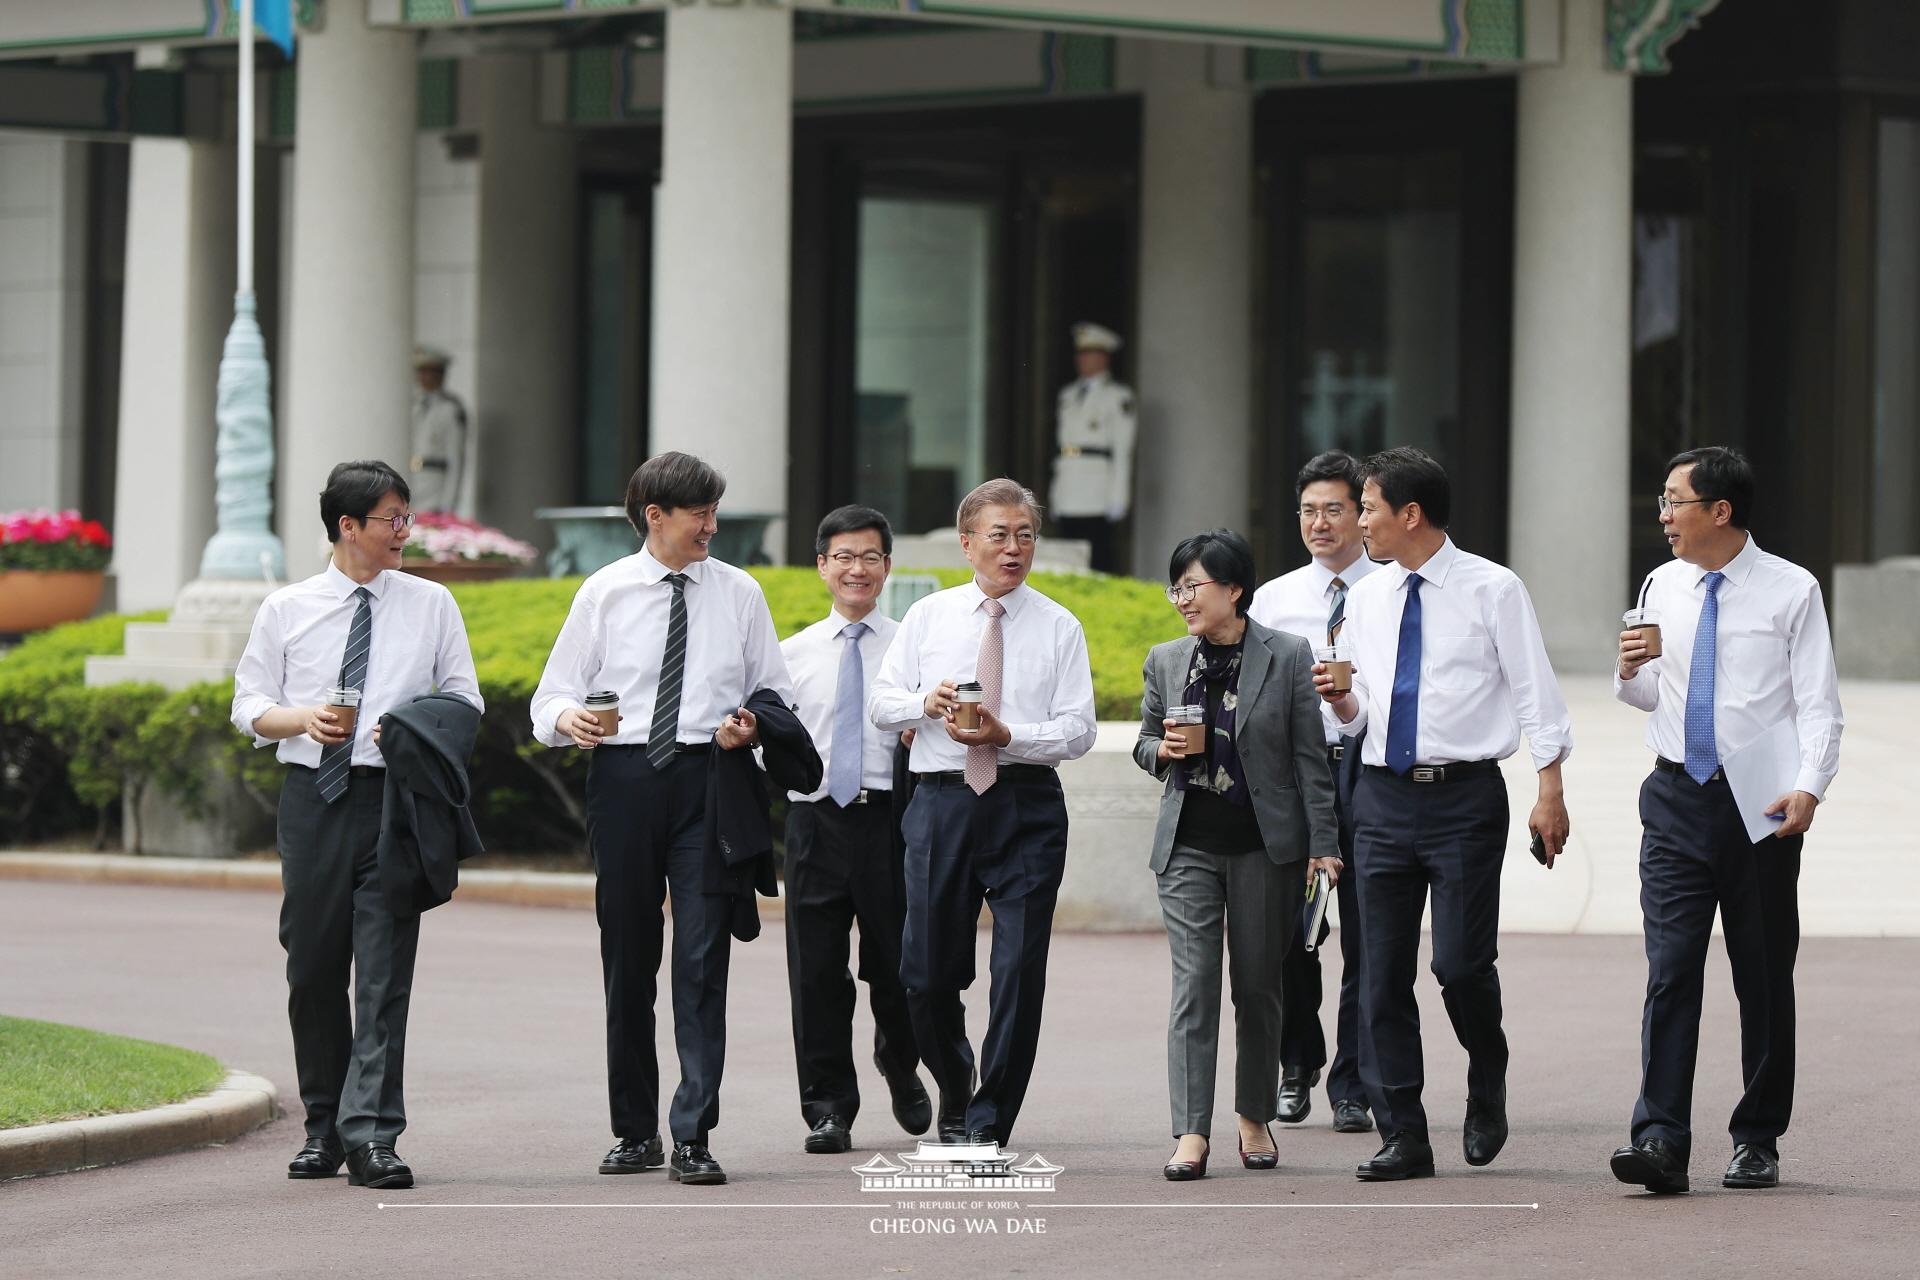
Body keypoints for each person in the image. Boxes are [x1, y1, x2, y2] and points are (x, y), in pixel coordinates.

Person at [530, 451, 793, 1187]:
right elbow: (547, 700)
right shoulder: (605, 592)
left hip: (709, 779)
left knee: (704, 959)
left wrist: (752, 727)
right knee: (628, 958)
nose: (713, 524)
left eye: (714, 509)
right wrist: (570, 719)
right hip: (622, 780)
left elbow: (774, 691)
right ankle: (633, 1130)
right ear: (655, 516)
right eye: (699, 513)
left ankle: (693, 1135)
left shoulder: (740, 593)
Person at [1314, 446, 1572, 1182]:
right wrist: (1340, 701)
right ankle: (1404, 1133)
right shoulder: (1366, 596)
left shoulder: (1494, 589)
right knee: (1380, 972)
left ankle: (1486, 1072)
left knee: (1459, 966)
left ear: (1410, 514)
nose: (1359, 522)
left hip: (1465, 799)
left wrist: (1548, 789)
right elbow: (1362, 711)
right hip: (1382, 796)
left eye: (1366, 508)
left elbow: (1535, 692)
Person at [230, 459, 483, 1191]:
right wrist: (301, 718)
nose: (405, 531)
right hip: (314, 799)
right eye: (392, 519)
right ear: (349, 526)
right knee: (312, 969)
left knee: (381, 975)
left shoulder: (432, 605)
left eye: (408, 517)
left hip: (396, 804)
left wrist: (407, 730)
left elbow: (464, 700)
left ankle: (373, 1135)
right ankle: (323, 1127)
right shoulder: (287, 607)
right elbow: (248, 704)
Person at [1608, 447, 1842, 1195]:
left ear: (1720, 510)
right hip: (1676, 796)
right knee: (1671, 970)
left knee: (1763, 975)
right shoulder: (1660, 584)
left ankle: (1757, 1138)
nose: (1663, 515)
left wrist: (1809, 787)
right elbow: (1646, 697)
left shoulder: (1791, 590)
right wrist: (1628, 671)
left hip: (1761, 804)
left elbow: (1819, 705)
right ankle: (1659, 1140)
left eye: (1675, 501)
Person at [868, 478, 1097, 1149]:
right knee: (924, 975)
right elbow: (882, 705)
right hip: (940, 802)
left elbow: (1078, 729)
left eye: (1025, 535)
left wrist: (1008, 736)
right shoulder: (928, 618)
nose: (1014, 548)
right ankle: (956, 1075)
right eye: (999, 535)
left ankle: (989, 1120)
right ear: (967, 543)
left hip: (1025, 803)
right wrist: (924, 703)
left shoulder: (1060, 625)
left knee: (1020, 971)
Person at [1136, 529, 1341, 1181]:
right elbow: (1145, 743)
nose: (1183, 599)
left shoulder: (1286, 656)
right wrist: (1161, 752)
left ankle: (1253, 1115)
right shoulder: (1167, 660)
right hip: (1188, 843)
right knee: (1193, 986)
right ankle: (1191, 1131)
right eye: (1178, 587)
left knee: (1258, 986)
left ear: (1234, 588)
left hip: (1264, 847)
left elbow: (1311, 759)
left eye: (1193, 585)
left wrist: (1324, 847)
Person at [779, 504, 931, 1155]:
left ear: (888, 567)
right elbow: (770, 747)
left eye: (870, 556)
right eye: (843, 556)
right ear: (822, 566)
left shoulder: (913, 649)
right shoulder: (789, 656)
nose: (856, 569)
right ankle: (828, 1107)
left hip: (890, 822)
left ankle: (900, 1064)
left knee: (897, 967)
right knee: (815, 973)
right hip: (813, 822)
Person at [1248, 450, 1381, 1135]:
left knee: (1367, 933)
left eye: (1334, 509)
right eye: (1308, 511)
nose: (1319, 524)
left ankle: (1354, 1082)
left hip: (1372, 770)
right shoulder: (1273, 599)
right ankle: (1296, 1064)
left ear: (1365, 514)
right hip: (1299, 778)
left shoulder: (1393, 591)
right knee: (1294, 933)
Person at [1048, 322, 1136, 572]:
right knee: (1068, 559)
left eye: (1089, 354)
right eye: (1080, 354)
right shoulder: (1068, 395)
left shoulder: (1118, 397)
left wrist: (1118, 497)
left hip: (1097, 490)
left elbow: (1122, 451)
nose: (1082, 360)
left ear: (1103, 358)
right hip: (1069, 487)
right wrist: (1056, 493)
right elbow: (1064, 449)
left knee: (1098, 559)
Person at [409, 346, 467, 513]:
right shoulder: (413, 405)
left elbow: (455, 459)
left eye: (430, 372)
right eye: (421, 371)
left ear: (441, 375)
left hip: (435, 490)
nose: (424, 377)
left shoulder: (450, 409)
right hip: (411, 484)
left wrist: (448, 506)